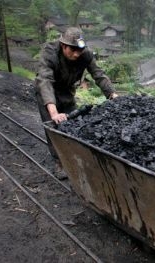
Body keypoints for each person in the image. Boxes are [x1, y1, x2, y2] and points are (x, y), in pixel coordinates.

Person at [35, 27, 118, 178]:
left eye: (79, 51)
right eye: (72, 50)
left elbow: (98, 74)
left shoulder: (85, 54)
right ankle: (59, 161)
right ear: (63, 45)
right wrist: (53, 112)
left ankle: (75, 157)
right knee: (54, 127)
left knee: (74, 124)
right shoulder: (50, 52)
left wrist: (112, 94)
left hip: (67, 92)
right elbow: (44, 80)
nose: (76, 54)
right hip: (47, 92)